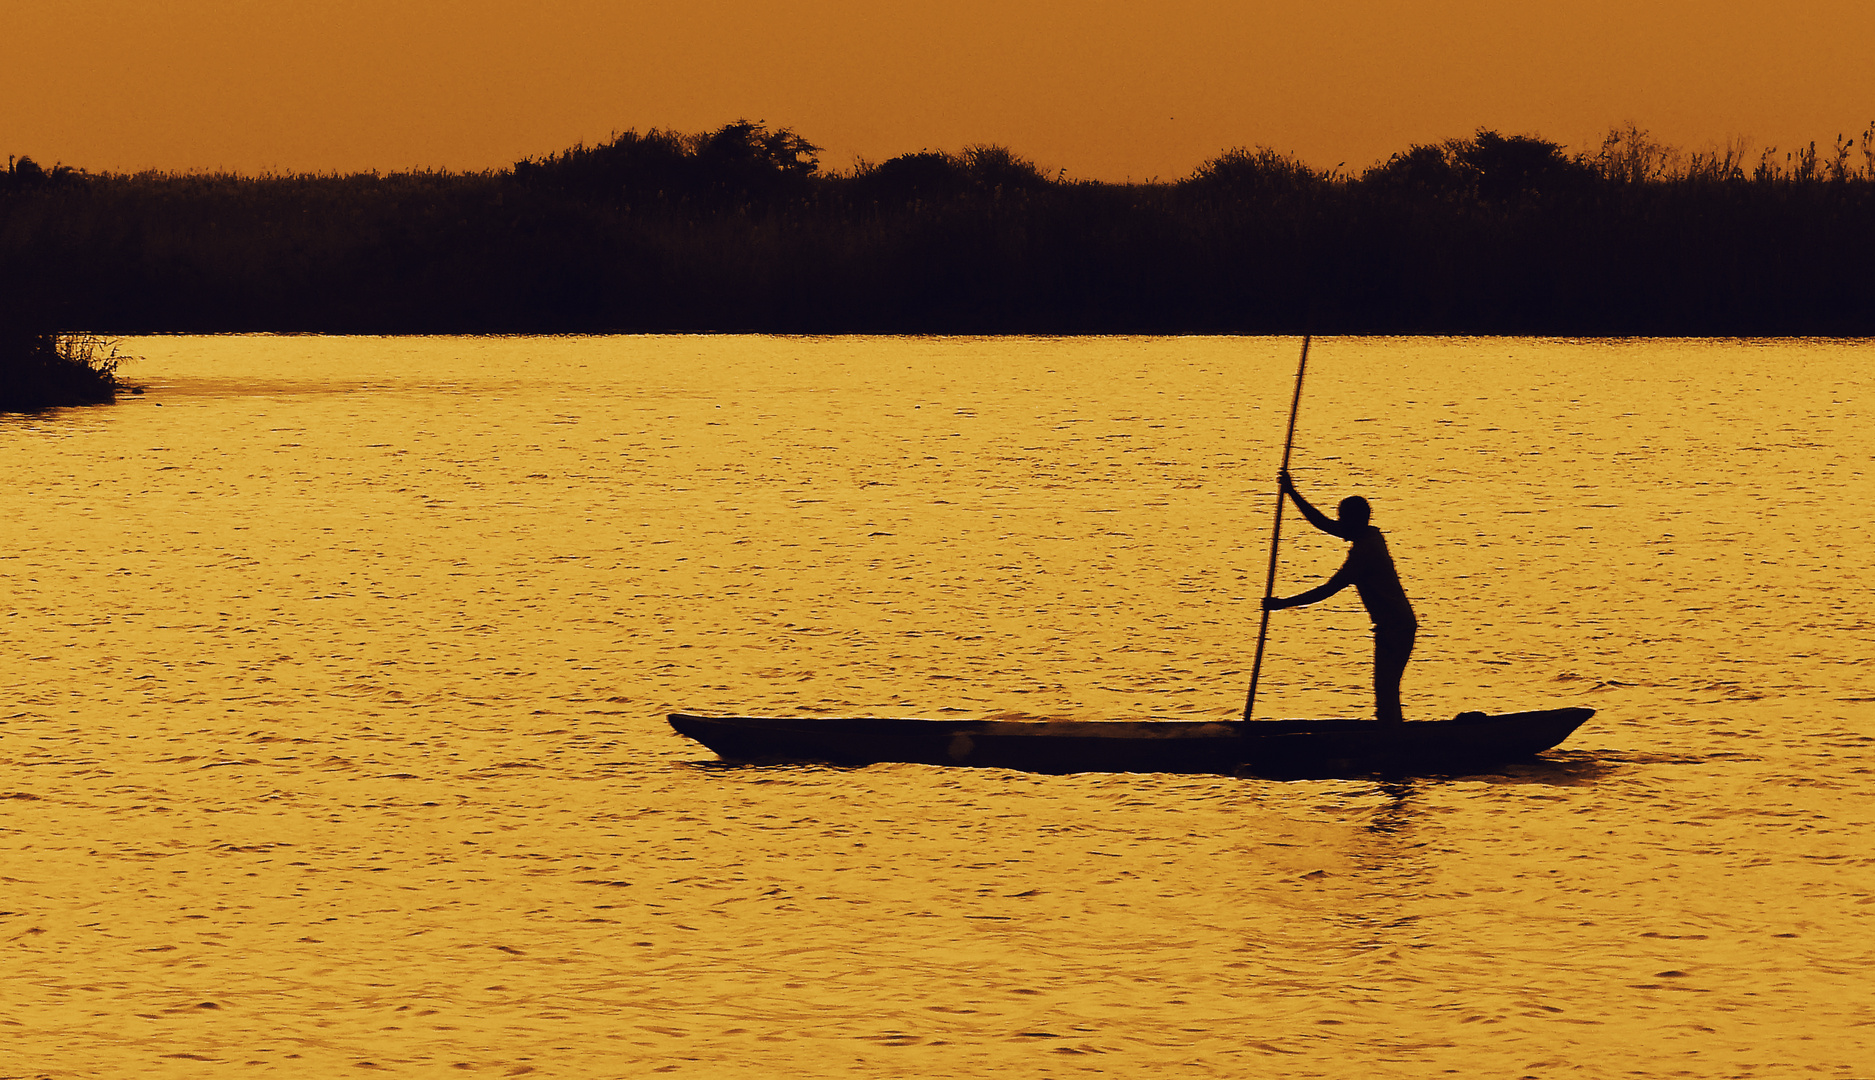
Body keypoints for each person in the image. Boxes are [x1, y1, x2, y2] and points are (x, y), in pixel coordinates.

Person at [1262, 471, 1418, 722]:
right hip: (1392, 627)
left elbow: (1327, 590)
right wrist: (1292, 493)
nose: (1339, 525)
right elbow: (1323, 524)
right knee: (1385, 688)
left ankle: (1392, 738)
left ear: (1355, 522)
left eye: (1343, 520)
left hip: (1396, 628)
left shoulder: (1365, 552)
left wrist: (1282, 604)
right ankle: (1390, 732)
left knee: (1385, 688)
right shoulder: (1370, 535)